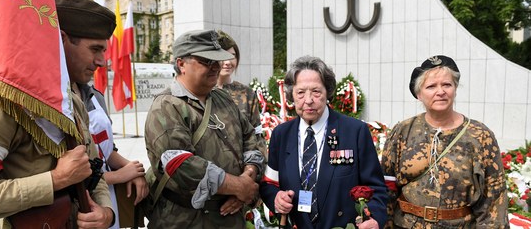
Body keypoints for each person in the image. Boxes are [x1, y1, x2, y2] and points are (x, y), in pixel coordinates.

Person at [0, 0, 116, 228]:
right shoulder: (3, 104)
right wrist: (55, 180)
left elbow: (94, 171)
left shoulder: (74, 104)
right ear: (61, 40)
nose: (101, 61)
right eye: (95, 49)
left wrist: (106, 212)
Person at [144, 29, 265, 228]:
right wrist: (238, 186)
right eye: (206, 61)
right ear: (181, 64)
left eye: (217, 61)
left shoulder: (222, 98)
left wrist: (249, 175)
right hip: (187, 221)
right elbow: (179, 164)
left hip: (229, 218)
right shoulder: (167, 106)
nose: (215, 67)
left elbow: (251, 136)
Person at [259, 55, 388, 229]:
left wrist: (374, 218)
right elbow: (269, 184)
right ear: (292, 95)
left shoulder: (355, 131)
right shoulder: (281, 135)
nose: (309, 100)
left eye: (316, 91)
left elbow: (376, 187)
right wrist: (276, 198)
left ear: (327, 92)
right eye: (301, 93)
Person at [381, 55, 509, 228]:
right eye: (431, 86)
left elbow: (494, 198)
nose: (440, 91)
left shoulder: (480, 135)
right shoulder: (403, 131)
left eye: (446, 85)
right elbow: (386, 186)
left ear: (455, 88)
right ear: (419, 94)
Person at [87, 87, 149, 228]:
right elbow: (70, 175)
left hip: (107, 195)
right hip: (84, 200)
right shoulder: (55, 102)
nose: (100, 63)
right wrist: (119, 175)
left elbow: (106, 149)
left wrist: (133, 170)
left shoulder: (96, 96)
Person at [216, 30, 262, 129]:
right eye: (222, 56)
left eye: (232, 55)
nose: (228, 62)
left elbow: (257, 134)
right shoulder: (202, 92)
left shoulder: (247, 93)